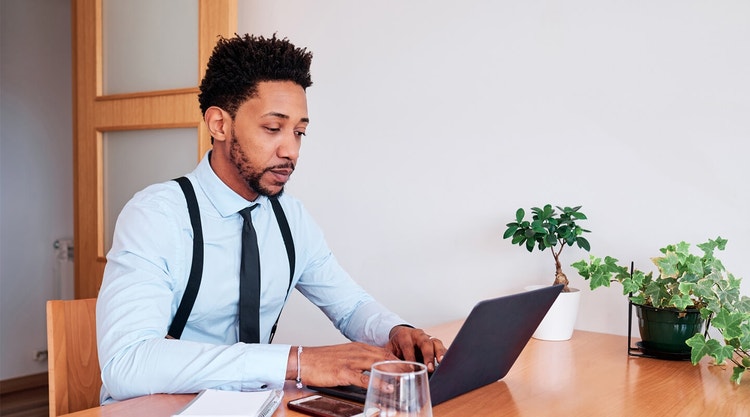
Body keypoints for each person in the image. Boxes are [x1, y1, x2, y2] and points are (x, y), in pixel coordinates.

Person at [96, 33, 446, 404]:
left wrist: (394, 330)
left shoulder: (290, 217)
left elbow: (350, 305)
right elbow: (126, 363)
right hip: (160, 407)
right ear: (219, 124)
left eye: (299, 132)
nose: (291, 151)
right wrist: (297, 362)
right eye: (273, 128)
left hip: (255, 406)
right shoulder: (157, 215)